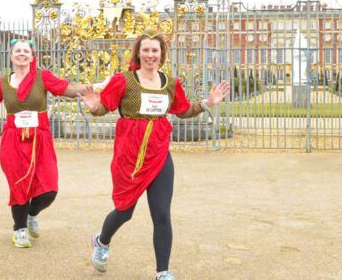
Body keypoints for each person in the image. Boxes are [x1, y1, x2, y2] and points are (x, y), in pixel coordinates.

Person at [79, 31, 230, 280]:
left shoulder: (170, 83)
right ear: (138, 53)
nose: (150, 55)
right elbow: (103, 107)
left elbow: (182, 110)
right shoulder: (124, 80)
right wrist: (95, 106)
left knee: (161, 214)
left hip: (159, 154)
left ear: (162, 55)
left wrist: (208, 102)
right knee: (124, 211)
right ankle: (101, 241)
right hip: (129, 156)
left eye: (155, 51)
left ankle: (163, 272)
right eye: (146, 50)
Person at [0, 39, 87, 248]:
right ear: (11, 56)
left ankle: (32, 214)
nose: (22, 53)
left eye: (26, 51)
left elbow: (66, 88)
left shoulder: (42, 78)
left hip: (40, 138)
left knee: (49, 189)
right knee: (19, 186)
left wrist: (91, 88)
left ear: (32, 57)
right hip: (13, 140)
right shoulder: (3, 83)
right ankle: (20, 229)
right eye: (18, 50)